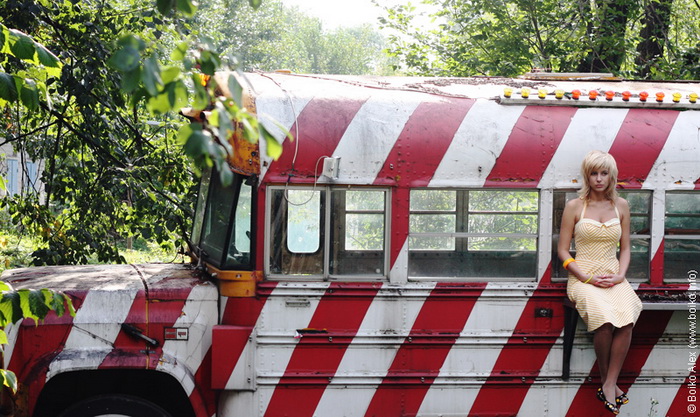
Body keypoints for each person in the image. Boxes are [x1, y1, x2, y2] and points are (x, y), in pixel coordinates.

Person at [558, 150, 643, 415]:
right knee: (604, 321)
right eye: (593, 173)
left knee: (628, 317)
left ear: (611, 176)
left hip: (613, 277)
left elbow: (626, 248)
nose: (598, 179)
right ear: (587, 175)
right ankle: (609, 384)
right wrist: (585, 276)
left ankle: (609, 382)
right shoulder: (575, 206)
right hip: (583, 278)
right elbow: (562, 251)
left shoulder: (622, 206)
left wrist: (620, 275)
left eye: (603, 173)